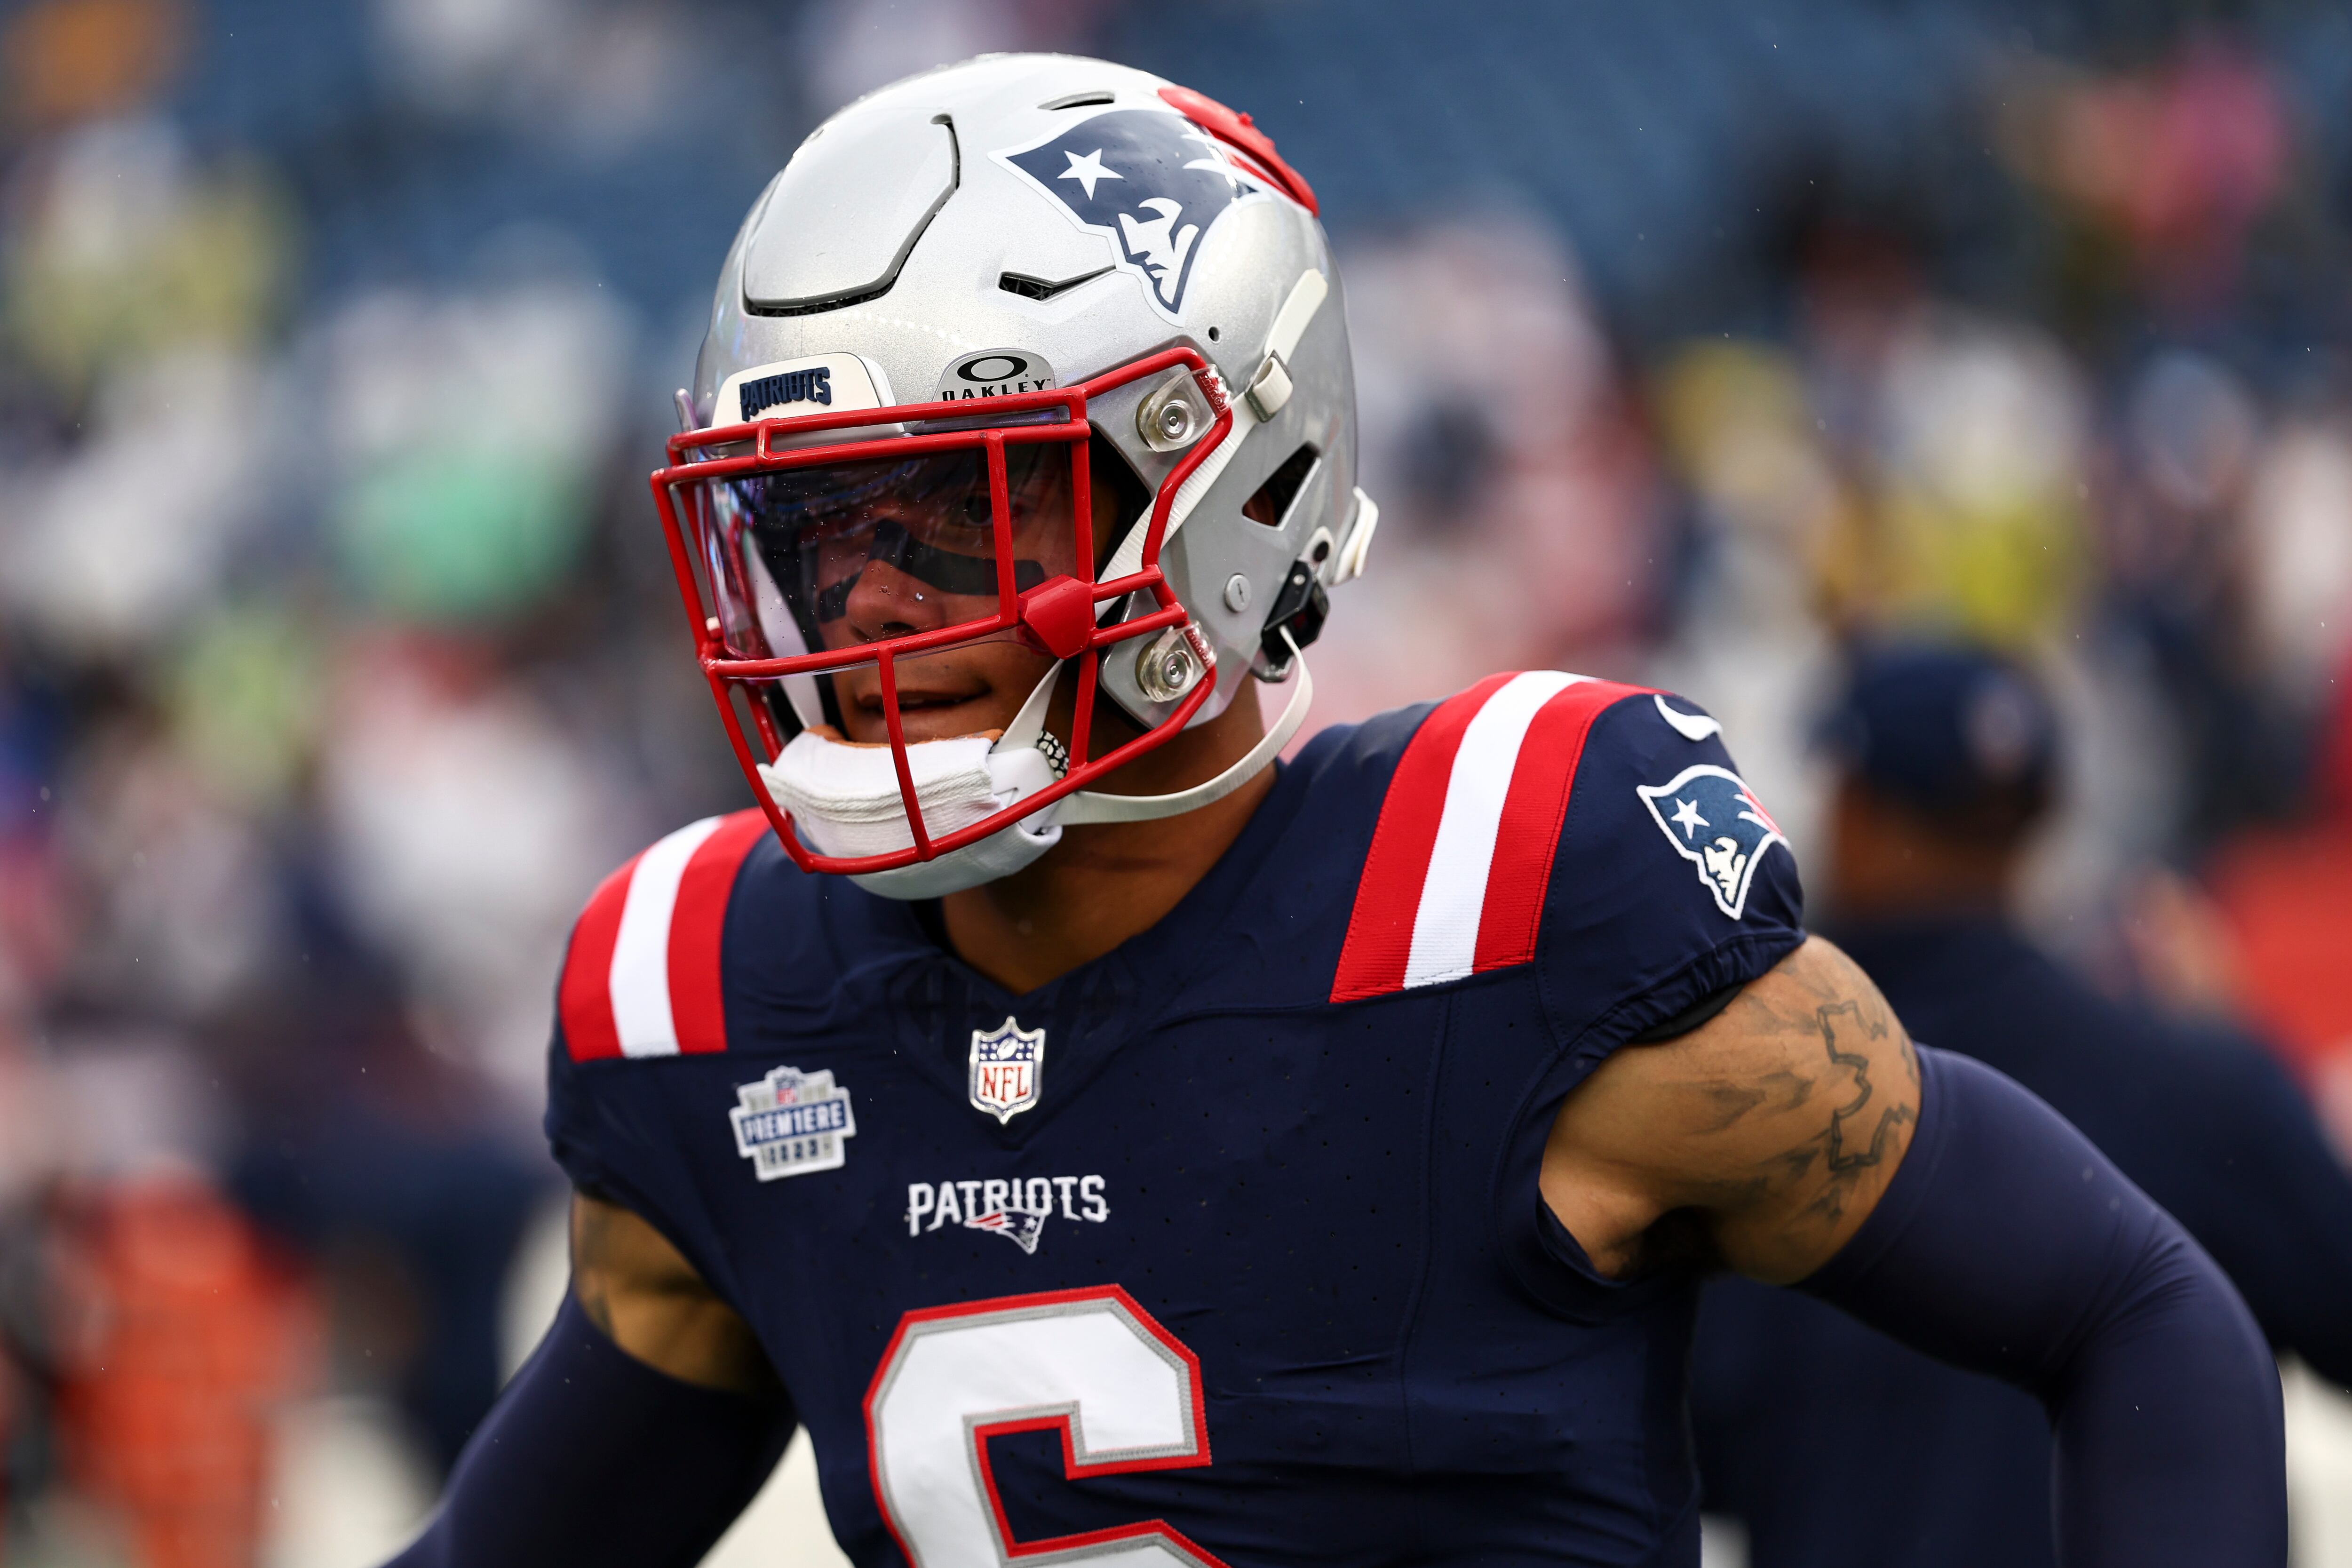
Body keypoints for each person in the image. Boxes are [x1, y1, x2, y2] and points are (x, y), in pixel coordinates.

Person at [388, 56, 2283, 1568]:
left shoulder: (1503, 896)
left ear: (1227, 487)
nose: (875, 602)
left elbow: (2130, 1307)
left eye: (959, 509)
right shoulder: (715, 1006)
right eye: (819, 529)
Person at [1692, 641, 2352, 1568]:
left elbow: (1679, 1450)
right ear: (2038, 822)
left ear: (1849, 808)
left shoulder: (1728, 1108)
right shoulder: (2199, 1080)